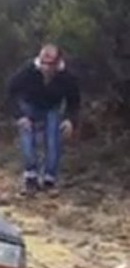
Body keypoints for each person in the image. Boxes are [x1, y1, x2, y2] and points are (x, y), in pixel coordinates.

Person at [7, 43, 81, 196]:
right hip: (29, 105)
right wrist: (19, 116)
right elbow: (10, 91)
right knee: (28, 139)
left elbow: (74, 101)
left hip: (52, 108)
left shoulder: (67, 77)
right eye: (43, 63)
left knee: (53, 142)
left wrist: (70, 120)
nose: (46, 68)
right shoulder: (28, 71)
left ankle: (49, 180)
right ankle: (30, 178)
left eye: (50, 64)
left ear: (57, 63)